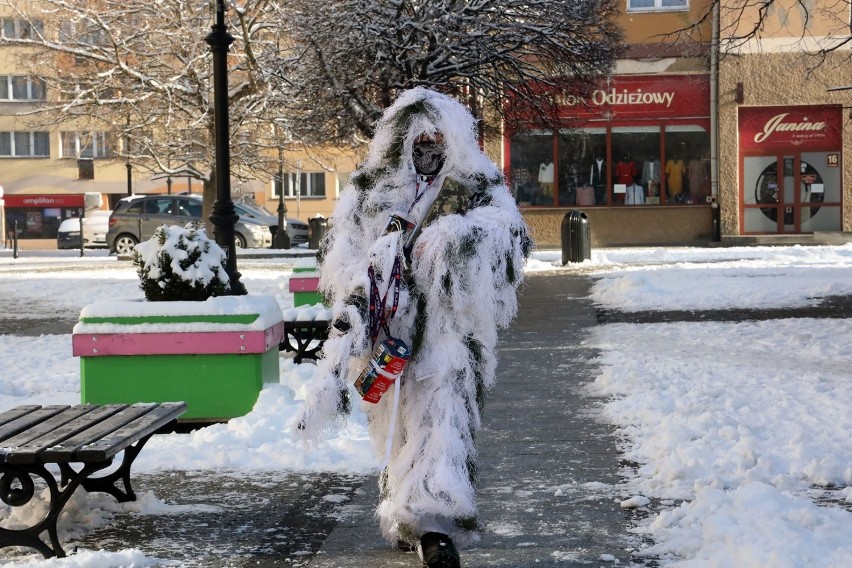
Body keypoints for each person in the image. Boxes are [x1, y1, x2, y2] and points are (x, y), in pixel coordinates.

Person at [293, 87, 532, 568]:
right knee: (397, 427)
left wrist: (453, 240)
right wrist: (371, 275)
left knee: (442, 424)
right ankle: (408, 518)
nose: (427, 151)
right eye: (417, 141)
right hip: (388, 335)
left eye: (436, 141)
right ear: (400, 141)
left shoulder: (476, 186)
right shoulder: (371, 190)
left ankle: (436, 527)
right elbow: (344, 257)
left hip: (448, 333)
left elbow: (512, 238)